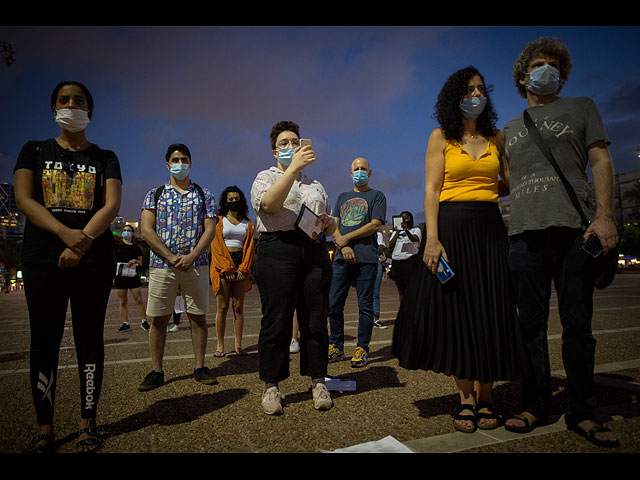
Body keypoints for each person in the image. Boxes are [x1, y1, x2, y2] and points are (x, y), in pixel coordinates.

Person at [502, 37, 619, 448]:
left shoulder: (582, 107)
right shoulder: (511, 128)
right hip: (524, 235)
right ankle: (534, 404)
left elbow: (600, 159)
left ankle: (583, 413)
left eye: (554, 65)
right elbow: (499, 181)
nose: (546, 69)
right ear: (522, 76)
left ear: (563, 75)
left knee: (578, 327)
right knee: (528, 327)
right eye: (538, 64)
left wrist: (605, 216)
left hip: (573, 230)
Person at [392, 66, 523, 433]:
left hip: (489, 229)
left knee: (491, 309)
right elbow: (431, 191)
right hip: (451, 225)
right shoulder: (441, 137)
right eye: (468, 90)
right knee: (459, 312)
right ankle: (466, 399)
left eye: (481, 89)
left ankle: (487, 398)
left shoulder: (498, 138)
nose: (475, 95)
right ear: (455, 97)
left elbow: (510, 184)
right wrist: (432, 239)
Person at [14, 81, 122, 453]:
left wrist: (83, 241)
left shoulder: (105, 156)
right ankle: (45, 428)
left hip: (93, 259)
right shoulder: (34, 150)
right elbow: (24, 199)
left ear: (89, 111)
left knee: (89, 339)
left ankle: (87, 424)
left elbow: (110, 206)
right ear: (53, 109)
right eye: (64, 100)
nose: (71, 105)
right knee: (44, 342)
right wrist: (65, 234)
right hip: (44, 257)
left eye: (78, 101)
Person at [250, 121, 335, 414]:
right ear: (275, 152)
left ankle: (318, 381)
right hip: (277, 249)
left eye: (295, 141)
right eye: (284, 143)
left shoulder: (316, 185)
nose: (291, 147)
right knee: (277, 320)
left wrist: (328, 223)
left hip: (313, 249)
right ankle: (272, 386)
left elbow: (331, 220)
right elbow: (269, 205)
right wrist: (290, 170)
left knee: (314, 318)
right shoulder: (265, 177)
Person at [138, 144, 217, 391]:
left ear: (190, 163)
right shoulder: (155, 194)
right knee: (159, 319)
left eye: (184, 159)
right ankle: (156, 370)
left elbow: (210, 229)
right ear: (167, 164)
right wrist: (171, 256)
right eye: (175, 159)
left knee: (198, 317)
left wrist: (192, 255)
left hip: (196, 265)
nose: (179, 163)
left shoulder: (204, 195)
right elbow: (146, 230)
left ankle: (200, 366)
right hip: (162, 266)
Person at [328, 157, 387, 368]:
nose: (360, 172)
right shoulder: (342, 197)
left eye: (363, 169)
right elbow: (333, 225)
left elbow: (374, 225)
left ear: (369, 173)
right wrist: (343, 246)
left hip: (366, 258)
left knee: (365, 306)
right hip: (341, 258)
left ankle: (362, 348)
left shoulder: (377, 196)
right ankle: (336, 346)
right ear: (350, 173)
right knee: (334, 303)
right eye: (356, 169)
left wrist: (347, 238)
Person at [210, 185, 255, 357]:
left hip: (241, 264)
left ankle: (238, 345)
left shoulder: (247, 223)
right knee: (222, 307)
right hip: (222, 265)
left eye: (237, 199)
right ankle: (220, 346)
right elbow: (216, 246)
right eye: (231, 199)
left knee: (238, 307)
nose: (234, 202)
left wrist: (244, 267)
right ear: (225, 201)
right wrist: (225, 268)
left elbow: (250, 247)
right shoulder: (218, 221)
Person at [115, 225, 148, 333]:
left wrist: (134, 261)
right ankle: (125, 323)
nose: (126, 232)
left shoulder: (136, 248)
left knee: (138, 300)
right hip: (120, 277)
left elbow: (141, 262)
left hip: (132, 276)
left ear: (133, 233)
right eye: (124, 230)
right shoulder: (117, 246)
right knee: (123, 301)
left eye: (129, 230)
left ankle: (144, 321)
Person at [388, 211, 422, 302]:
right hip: (397, 261)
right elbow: (390, 244)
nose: (404, 220)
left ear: (411, 219)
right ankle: (402, 311)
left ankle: (411, 310)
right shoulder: (396, 231)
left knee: (410, 288)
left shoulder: (416, 229)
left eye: (406, 218)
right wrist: (397, 231)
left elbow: (414, 239)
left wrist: (406, 230)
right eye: (402, 218)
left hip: (409, 260)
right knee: (401, 289)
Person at [372, 231, 387, 329]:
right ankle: (366, 318)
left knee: (375, 293)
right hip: (363, 263)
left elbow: (380, 250)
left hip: (375, 263)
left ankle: (376, 318)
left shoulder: (378, 234)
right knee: (364, 293)